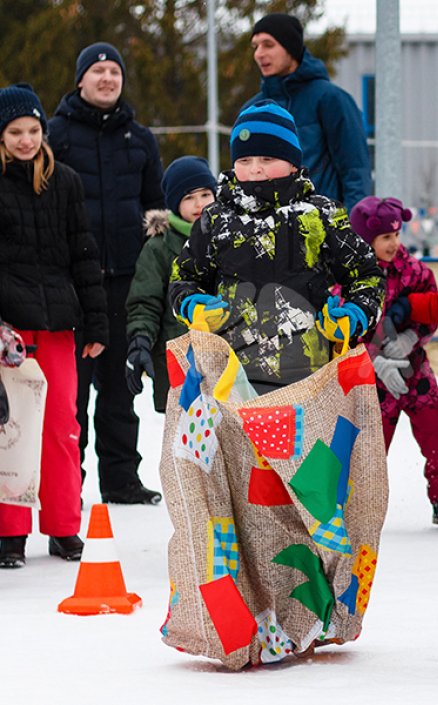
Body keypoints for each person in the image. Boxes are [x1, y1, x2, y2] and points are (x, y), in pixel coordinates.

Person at [168, 102, 384, 392]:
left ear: (293, 162)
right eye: (244, 161)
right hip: (231, 378)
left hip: (311, 379)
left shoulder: (320, 215)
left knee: (307, 441)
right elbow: (184, 277)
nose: (255, 169)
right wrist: (191, 305)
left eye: (267, 158)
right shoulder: (216, 219)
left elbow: (367, 274)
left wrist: (356, 313)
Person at [48, 42, 165, 505]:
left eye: (114, 72)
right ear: (80, 80)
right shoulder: (55, 135)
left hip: (124, 280)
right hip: (71, 283)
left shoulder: (140, 139)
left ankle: (121, 481)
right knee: (71, 395)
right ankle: (65, 488)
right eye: (97, 71)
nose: (107, 79)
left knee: (120, 390)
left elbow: (155, 207)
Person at [0, 85, 108, 568]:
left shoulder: (65, 181)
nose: (26, 140)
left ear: (44, 131)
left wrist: (97, 322)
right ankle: (10, 532)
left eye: (33, 130)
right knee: (11, 429)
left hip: (59, 323)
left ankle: (64, 526)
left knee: (63, 428)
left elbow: (85, 256)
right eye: (15, 131)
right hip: (10, 329)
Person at [350, 197, 438, 527]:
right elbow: (347, 327)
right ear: (366, 240)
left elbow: (429, 312)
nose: (394, 243)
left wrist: (411, 340)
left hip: (414, 370)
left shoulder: (416, 272)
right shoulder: (351, 278)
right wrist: (373, 359)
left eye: (397, 234)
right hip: (373, 377)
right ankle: (360, 503)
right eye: (385, 237)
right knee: (370, 444)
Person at [244, 12, 370, 209]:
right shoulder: (253, 109)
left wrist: (351, 230)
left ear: (291, 48)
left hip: (323, 228)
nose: (259, 53)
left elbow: (355, 172)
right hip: (268, 231)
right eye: (255, 46)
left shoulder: (331, 100)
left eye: (268, 45)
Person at [125, 157, 217, 412]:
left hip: (227, 361)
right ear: (176, 203)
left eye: (205, 194)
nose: (199, 204)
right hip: (180, 363)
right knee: (186, 445)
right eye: (189, 197)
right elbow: (145, 301)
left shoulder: (228, 237)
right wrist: (140, 340)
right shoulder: (159, 247)